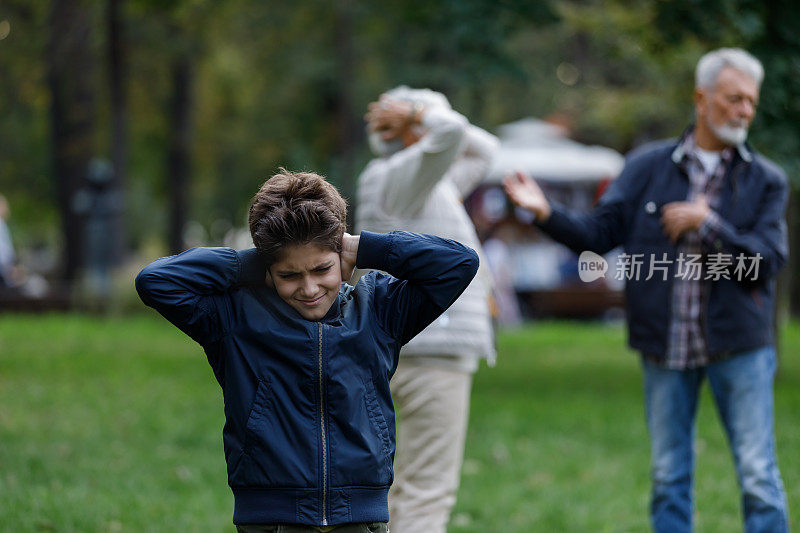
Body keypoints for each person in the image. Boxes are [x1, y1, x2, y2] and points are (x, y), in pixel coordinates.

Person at [505, 48, 789, 533]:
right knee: (668, 475)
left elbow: (766, 263)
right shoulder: (645, 167)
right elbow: (598, 236)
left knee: (759, 475)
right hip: (664, 345)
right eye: (733, 99)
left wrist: (709, 224)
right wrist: (545, 212)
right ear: (702, 98)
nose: (744, 111)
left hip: (740, 346)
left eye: (751, 102)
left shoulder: (766, 180)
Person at [135, 170, 479, 531]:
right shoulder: (232, 319)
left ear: (340, 257)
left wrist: (362, 247)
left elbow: (458, 264)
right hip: (271, 517)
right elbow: (155, 281)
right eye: (289, 275)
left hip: (361, 515)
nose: (309, 287)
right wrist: (254, 263)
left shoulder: (379, 309)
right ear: (269, 272)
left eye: (321, 268)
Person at [355, 86, 498, 533]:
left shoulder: (425, 183)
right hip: (432, 354)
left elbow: (485, 150)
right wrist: (424, 112)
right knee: (425, 493)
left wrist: (417, 116)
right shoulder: (400, 176)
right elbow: (453, 132)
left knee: (398, 492)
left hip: (416, 348)